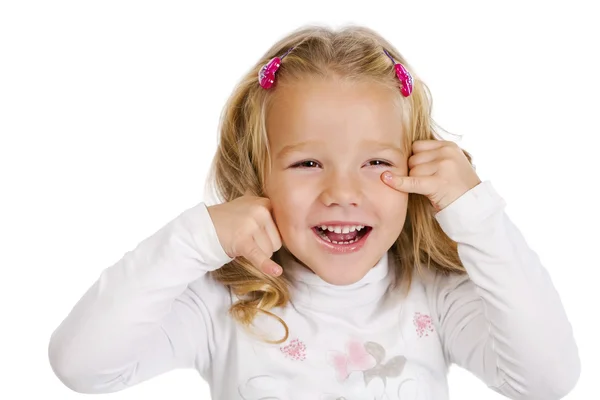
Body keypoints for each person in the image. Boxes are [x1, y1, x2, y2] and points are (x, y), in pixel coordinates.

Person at [48, 25, 580, 399]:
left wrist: (477, 216)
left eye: (376, 161)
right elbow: (82, 367)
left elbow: (548, 380)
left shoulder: (434, 297)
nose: (342, 192)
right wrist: (194, 239)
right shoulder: (224, 305)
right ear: (258, 178)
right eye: (307, 162)